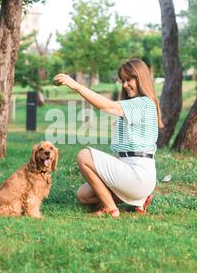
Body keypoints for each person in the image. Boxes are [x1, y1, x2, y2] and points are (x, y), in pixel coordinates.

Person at [53, 59, 163, 218]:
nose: (125, 85)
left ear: (141, 78)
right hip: (135, 174)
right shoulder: (140, 104)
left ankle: (111, 209)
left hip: (138, 174)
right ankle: (139, 199)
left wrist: (75, 85)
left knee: (84, 155)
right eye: (123, 81)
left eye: (129, 79)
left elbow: (108, 106)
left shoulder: (143, 103)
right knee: (84, 195)